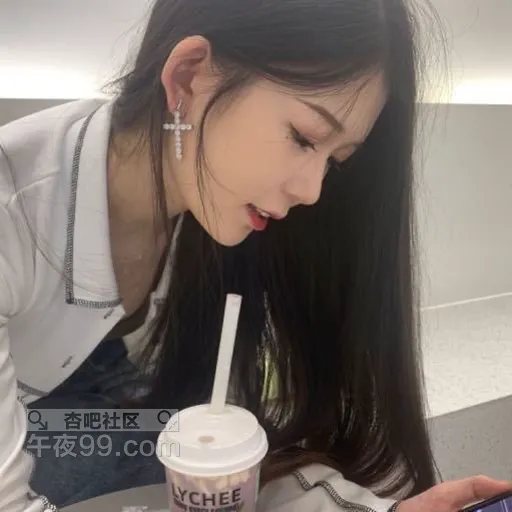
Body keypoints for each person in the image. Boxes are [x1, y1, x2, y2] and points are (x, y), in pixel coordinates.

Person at [0, 0, 510, 511]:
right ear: (188, 76)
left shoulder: (213, 203)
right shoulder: (14, 211)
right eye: (304, 138)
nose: (312, 191)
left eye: (335, 160)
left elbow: (223, 448)